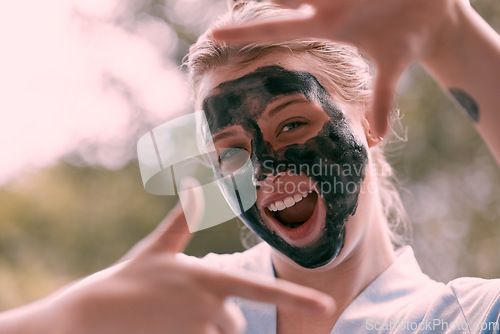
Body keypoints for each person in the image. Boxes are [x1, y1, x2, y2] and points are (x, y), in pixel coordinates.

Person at [1, 0, 499, 333]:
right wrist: (67, 319)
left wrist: (453, 38)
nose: (263, 170)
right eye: (230, 152)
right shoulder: (183, 313)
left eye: (291, 125)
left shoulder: (462, 320)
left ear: (371, 119)